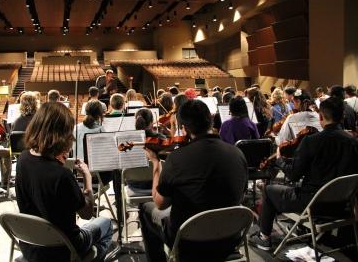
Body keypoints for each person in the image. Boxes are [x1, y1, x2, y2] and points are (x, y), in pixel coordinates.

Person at [140, 100, 248, 262]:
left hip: (189, 242)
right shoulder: (237, 153)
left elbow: (160, 203)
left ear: (184, 128)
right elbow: (242, 193)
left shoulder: (176, 158)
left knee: (145, 209)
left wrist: (156, 163)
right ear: (210, 120)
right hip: (229, 237)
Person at [249, 97, 358, 251]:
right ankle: (303, 229)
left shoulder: (312, 141)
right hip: (343, 205)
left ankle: (264, 237)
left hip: (312, 203)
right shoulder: (354, 142)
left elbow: (293, 175)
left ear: (320, 117)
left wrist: (279, 160)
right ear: (342, 117)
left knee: (269, 189)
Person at [16, 102, 113, 262]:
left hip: (31, 245)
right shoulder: (62, 175)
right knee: (106, 224)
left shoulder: (23, 159)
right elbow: (87, 213)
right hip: (64, 249)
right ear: (61, 134)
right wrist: (87, 177)